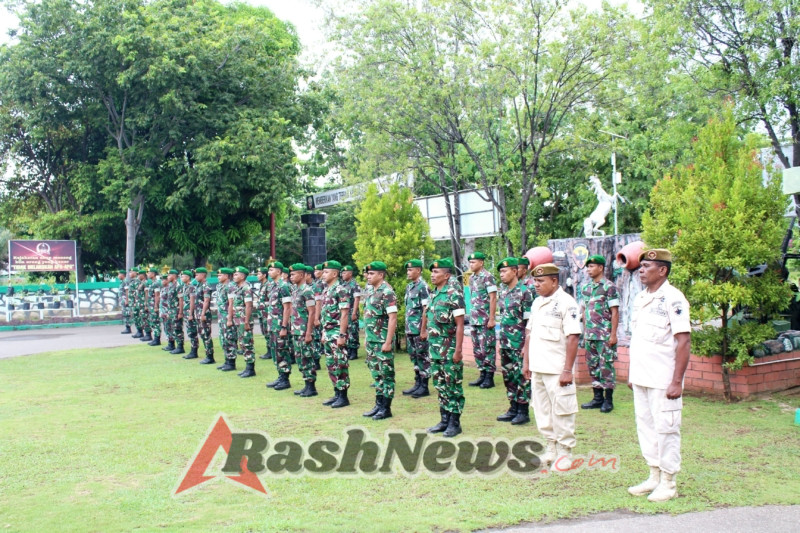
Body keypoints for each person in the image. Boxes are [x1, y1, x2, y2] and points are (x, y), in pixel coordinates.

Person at [627, 249, 690, 503]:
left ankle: (668, 482)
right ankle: (654, 475)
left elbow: (683, 341)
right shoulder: (641, 298)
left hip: (663, 379)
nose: (641, 270)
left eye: (647, 266)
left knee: (666, 429)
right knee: (646, 427)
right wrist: (633, 373)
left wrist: (676, 381)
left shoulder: (673, 299)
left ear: (662, 270)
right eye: (640, 266)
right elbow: (638, 339)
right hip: (642, 376)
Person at [522, 263, 582, 465]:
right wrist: (526, 362)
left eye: (540, 281)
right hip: (538, 367)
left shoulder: (567, 303)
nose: (535, 285)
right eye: (535, 281)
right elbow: (529, 334)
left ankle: (565, 452)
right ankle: (551, 446)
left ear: (554, 281)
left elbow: (573, 337)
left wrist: (567, 370)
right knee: (542, 410)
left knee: (563, 410)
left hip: (557, 370)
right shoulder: (537, 302)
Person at [421, 258, 466, 437]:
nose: (432, 275)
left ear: (446, 275)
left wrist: (458, 350)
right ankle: (444, 419)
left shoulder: (454, 295)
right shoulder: (434, 294)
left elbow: (460, 325)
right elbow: (428, 316)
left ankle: (455, 423)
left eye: (436, 272)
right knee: (440, 385)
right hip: (435, 350)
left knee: (453, 385)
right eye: (432, 272)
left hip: (449, 349)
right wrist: (423, 330)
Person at [580, 254, 620, 413]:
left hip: (604, 335)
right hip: (590, 335)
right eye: (588, 267)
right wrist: (584, 333)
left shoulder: (609, 287)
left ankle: (608, 400)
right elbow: (583, 311)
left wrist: (613, 334)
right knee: (593, 366)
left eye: (592, 266)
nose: (589, 270)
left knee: (606, 367)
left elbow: (615, 312)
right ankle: (597, 398)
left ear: (601, 267)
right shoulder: (585, 288)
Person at [496, 257, 533, 425]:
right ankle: (513, 407)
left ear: (515, 271)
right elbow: (503, 318)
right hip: (505, 342)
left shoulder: (525, 292)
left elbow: (529, 323)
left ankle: (523, 410)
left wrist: (527, 345)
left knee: (521, 377)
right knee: (508, 376)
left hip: (519, 343)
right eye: (500, 272)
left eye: (504, 271)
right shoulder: (502, 292)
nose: (502, 275)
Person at [361, 261, 399, 420]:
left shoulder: (387, 292)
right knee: (376, 374)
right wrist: (366, 338)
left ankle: (386, 408)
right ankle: (378, 404)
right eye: (368, 274)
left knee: (386, 374)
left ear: (381, 275)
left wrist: (388, 341)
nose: (368, 276)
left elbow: (393, 318)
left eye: (371, 274)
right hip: (372, 340)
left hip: (382, 340)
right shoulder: (370, 291)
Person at [319, 260, 351, 408]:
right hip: (329, 332)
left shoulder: (341, 289)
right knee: (331, 364)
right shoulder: (327, 290)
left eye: (326, 272)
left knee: (340, 364)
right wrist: (324, 332)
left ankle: (343, 396)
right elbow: (325, 314)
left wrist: (342, 335)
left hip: (337, 332)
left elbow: (344, 314)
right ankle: (336, 393)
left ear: (334, 273)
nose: (323, 275)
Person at [467, 252, 498, 389]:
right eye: (470, 262)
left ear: (481, 263)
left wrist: (492, 318)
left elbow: (493, 298)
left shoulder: (488, 277)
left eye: (473, 262)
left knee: (487, 348)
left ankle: (489, 377)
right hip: (474, 319)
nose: (471, 265)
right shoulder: (472, 278)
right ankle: (482, 374)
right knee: (477, 349)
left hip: (485, 319)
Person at [402, 259, 431, 398]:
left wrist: (424, 329)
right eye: (407, 270)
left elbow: (426, 309)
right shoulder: (410, 287)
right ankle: (417, 383)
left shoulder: (423, 287)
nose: (408, 272)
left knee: (423, 356)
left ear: (418, 271)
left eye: (410, 270)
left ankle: (424, 386)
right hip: (410, 329)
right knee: (414, 357)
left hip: (419, 329)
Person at [289, 263, 318, 397]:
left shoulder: (307, 291)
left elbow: (312, 312)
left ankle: (311, 387)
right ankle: (306, 385)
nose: (291, 276)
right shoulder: (295, 290)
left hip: (304, 330)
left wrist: (308, 333)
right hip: (296, 330)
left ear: (301, 275)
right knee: (300, 358)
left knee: (307, 358)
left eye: (293, 274)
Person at [264, 261, 293, 390]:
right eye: (269, 270)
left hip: (280, 325)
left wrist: (284, 326)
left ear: (279, 272)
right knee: (276, 351)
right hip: (273, 324)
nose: (269, 272)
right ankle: (280, 375)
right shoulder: (273, 286)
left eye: (272, 270)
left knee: (282, 350)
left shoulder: (284, 286)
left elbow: (287, 308)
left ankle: (285, 378)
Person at [228, 266, 256, 377]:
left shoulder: (246, 288)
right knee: (242, 344)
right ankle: (247, 367)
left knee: (247, 343)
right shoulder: (237, 288)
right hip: (238, 320)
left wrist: (247, 322)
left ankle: (250, 369)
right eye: (234, 274)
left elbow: (249, 306)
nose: (234, 276)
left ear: (243, 276)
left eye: (236, 274)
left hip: (244, 320)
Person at [215, 268, 238, 371]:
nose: (218, 277)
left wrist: (229, 318)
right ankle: (226, 360)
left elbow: (231, 303)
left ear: (227, 276)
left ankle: (231, 363)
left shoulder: (231, 287)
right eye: (218, 275)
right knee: (223, 339)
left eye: (220, 275)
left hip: (228, 317)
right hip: (221, 317)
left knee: (229, 339)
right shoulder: (219, 286)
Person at [192, 267, 215, 364]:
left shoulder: (206, 286)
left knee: (206, 334)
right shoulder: (199, 285)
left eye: (197, 274)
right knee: (202, 334)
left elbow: (206, 301)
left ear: (203, 275)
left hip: (204, 314)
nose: (195, 276)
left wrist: (203, 314)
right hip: (198, 313)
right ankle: (207, 355)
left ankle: (210, 357)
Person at [341, 265, 362, 361]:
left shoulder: (354, 285)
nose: (342, 275)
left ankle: (354, 351)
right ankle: (348, 350)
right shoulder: (343, 285)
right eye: (342, 273)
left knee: (353, 331)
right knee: (346, 331)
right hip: (345, 312)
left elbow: (357, 299)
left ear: (350, 273)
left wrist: (354, 313)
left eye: (345, 273)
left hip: (352, 311)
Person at [171, 270, 192, 355]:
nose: (182, 278)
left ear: (188, 277)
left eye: (183, 276)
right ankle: (179, 346)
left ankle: (189, 349)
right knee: (177, 328)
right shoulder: (182, 287)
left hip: (186, 311)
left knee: (190, 331)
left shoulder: (190, 287)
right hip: (181, 310)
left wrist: (180, 312)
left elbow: (182, 300)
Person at [255, 267, 272, 360]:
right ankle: (269, 350)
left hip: (267, 313)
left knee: (268, 332)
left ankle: (270, 351)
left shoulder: (268, 285)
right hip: (261, 313)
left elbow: (270, 300)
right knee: (264, 332)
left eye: (259, 274)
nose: (257, 276)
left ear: (264, 275)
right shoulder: (262, 285)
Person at [162, 270, 179, 352]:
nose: (168, 277)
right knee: (169, 327)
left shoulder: (177, 285)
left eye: (169, 275)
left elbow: (181, 299)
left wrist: (180, 312)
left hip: (175, 310)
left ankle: (179, 347)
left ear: (174, 275)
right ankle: (171, 344)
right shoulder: (171, 286)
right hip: (169, 310)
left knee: (176, 328)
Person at [146, 268, 161, 346]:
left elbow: (157, 295)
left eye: (149, 273)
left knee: (156, 322)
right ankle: (155, 338)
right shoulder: (152, 283)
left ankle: (157, 339)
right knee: (153, 322)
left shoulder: (156, 283)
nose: (148, 274)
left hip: (154, 306)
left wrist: (155, 306)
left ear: (153, 274)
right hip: (151, 305)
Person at [118, 270, 132, 334]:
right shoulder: (122, 282)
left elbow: (127, 291)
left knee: (127, 314)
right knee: (125, 313)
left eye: (119, 274)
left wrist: (127, 300)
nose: (118, 276)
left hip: (125, 300)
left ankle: (128, 328)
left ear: (122, 275)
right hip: (123, 300)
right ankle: (127, 327)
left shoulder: (125, 281)